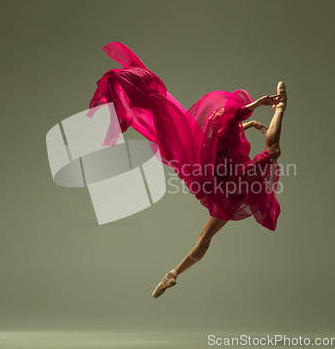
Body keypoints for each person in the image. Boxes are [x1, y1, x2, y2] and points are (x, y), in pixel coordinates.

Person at [87, 42, 286, 298]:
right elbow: (232, 121)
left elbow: (231, 122)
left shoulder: (220, 138)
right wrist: (259, 105)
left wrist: (253, 111)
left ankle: (172, 275)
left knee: (204, 238)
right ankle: (282, 107)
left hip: (226, 184)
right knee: (272, 153)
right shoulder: (221, 137)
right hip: (236, 181)